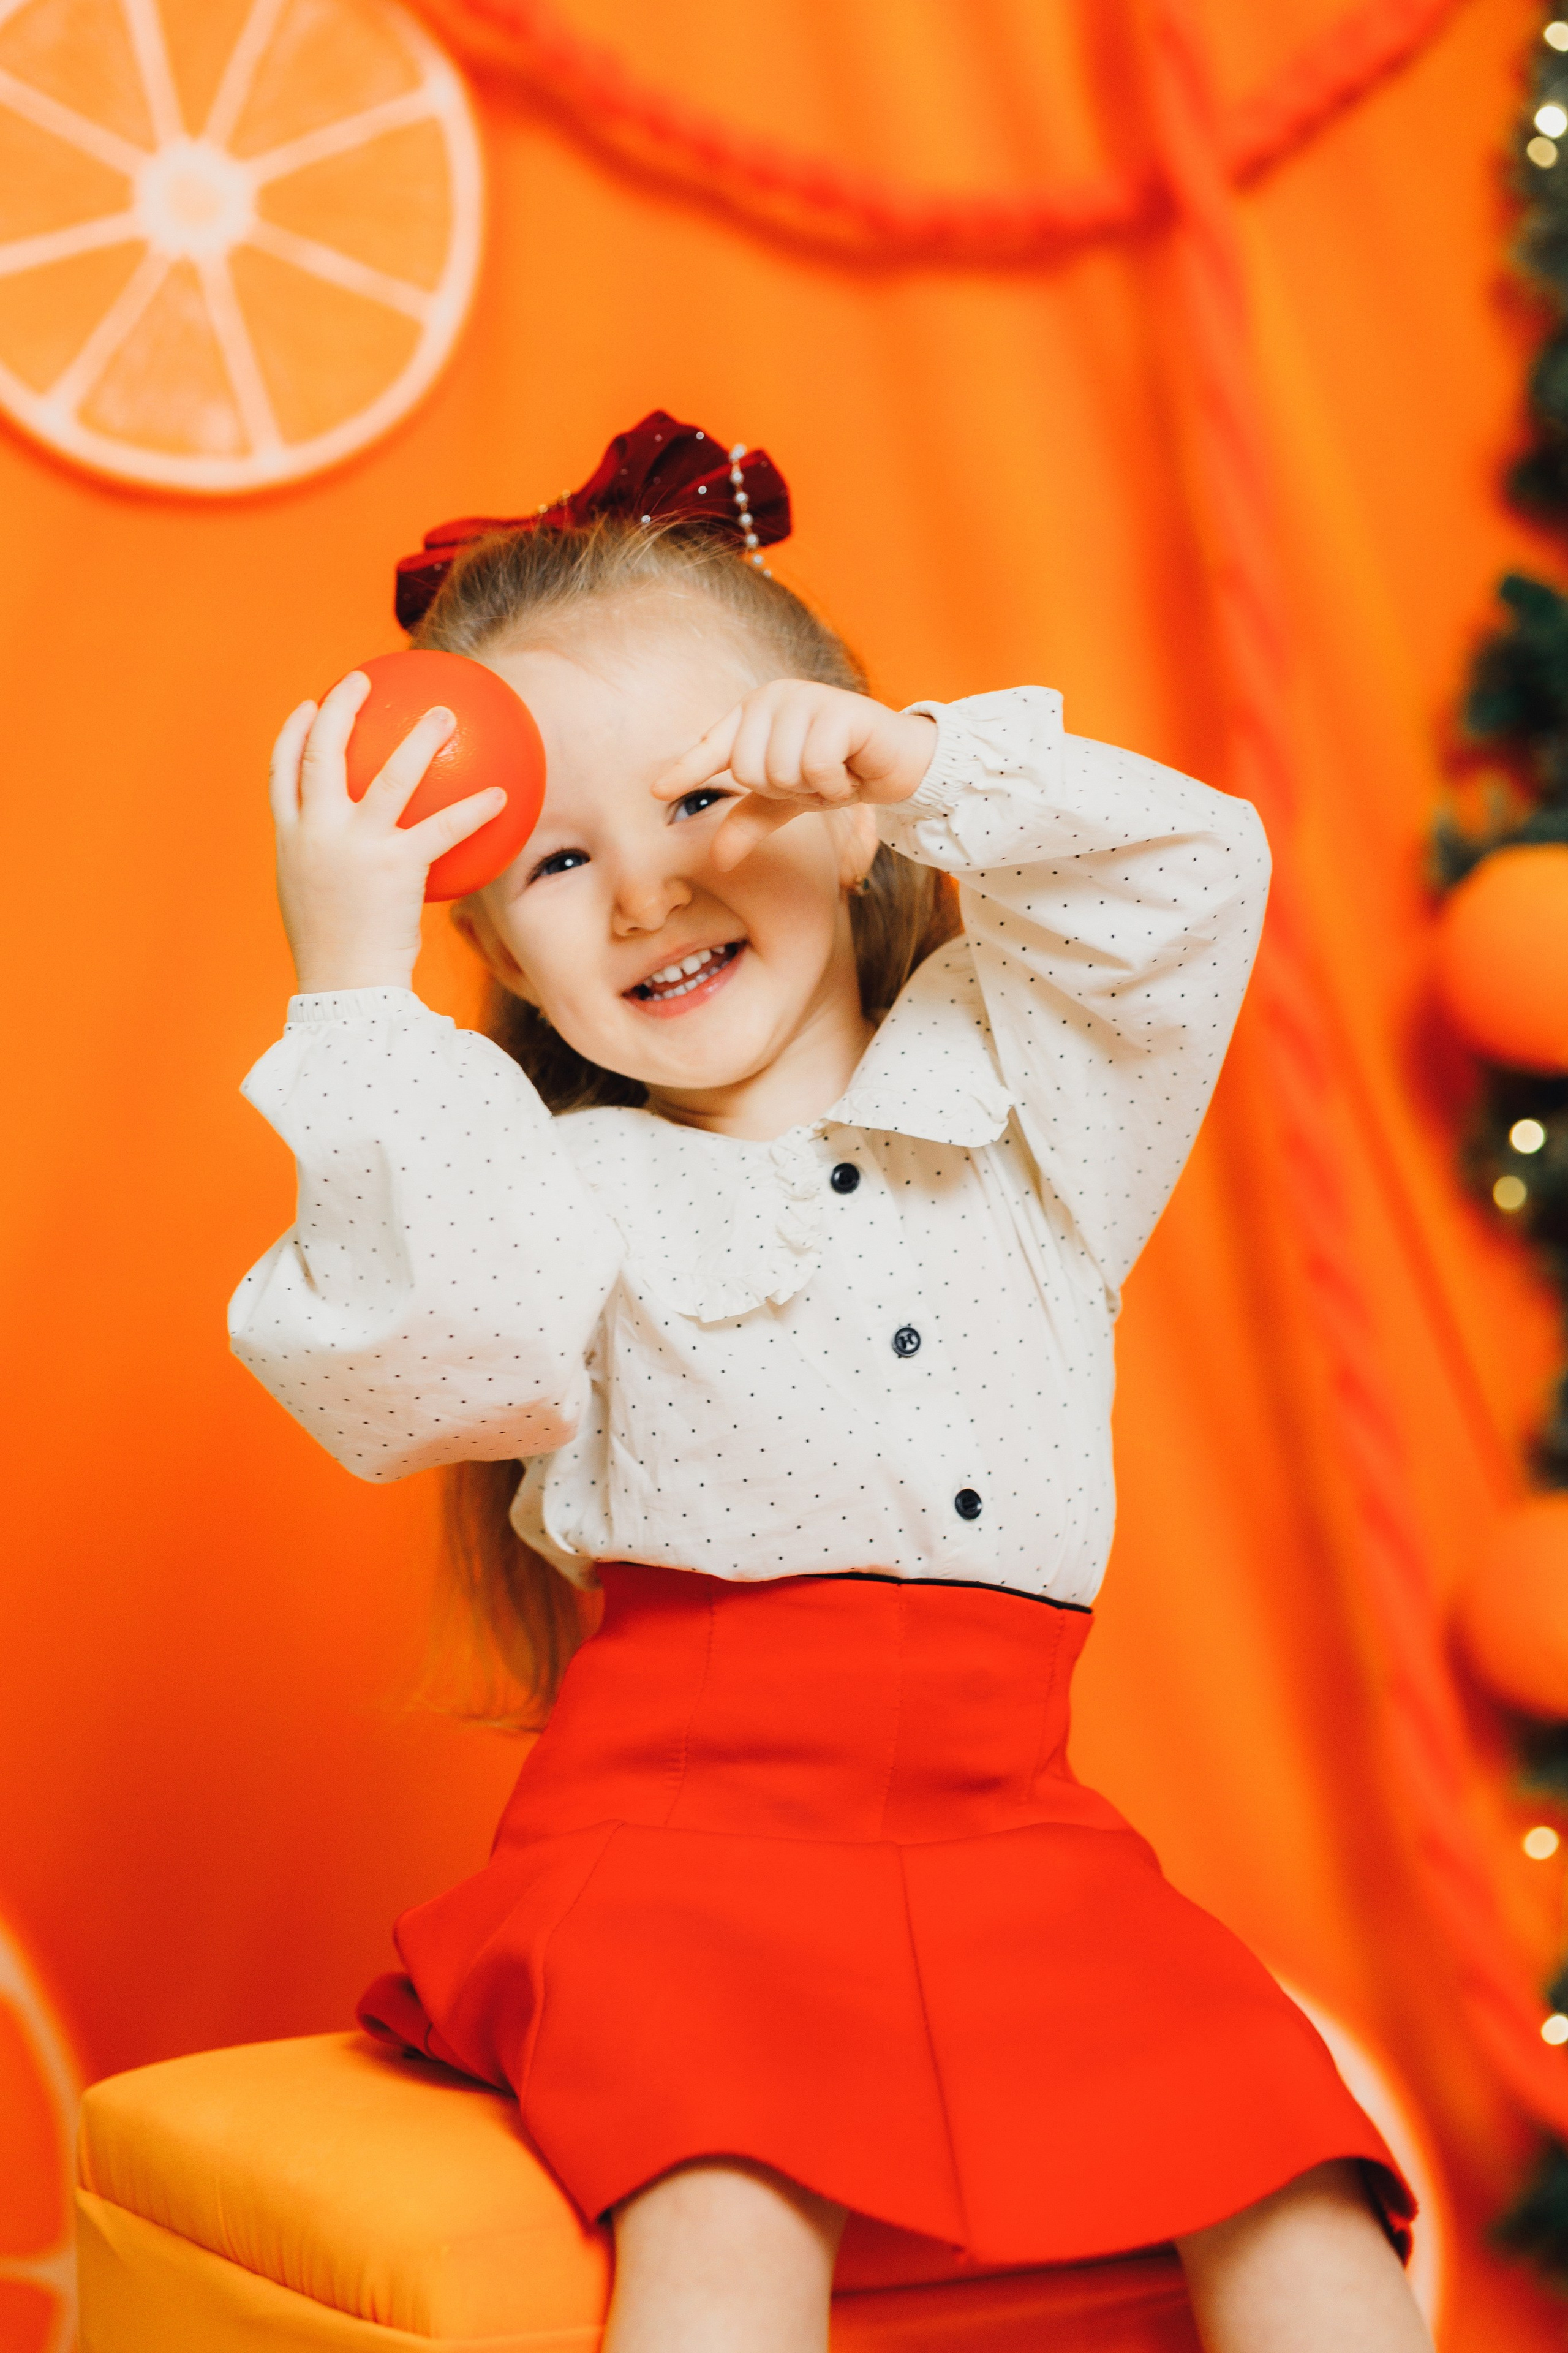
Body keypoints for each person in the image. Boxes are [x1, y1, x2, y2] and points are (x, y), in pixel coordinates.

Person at [230, 414, 1431, 2353]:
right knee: (727, 2203)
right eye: (554, 858)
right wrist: (354, 991)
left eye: (707, 794)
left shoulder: (1035, 1108)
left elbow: (1195, 878)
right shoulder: (555, 1196)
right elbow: (412, 1364)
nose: (641, 889)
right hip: (679, 1852)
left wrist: (943, 767)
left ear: (850, 806)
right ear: (507, 965)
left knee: (1304, 2197)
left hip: (1019, 1834)